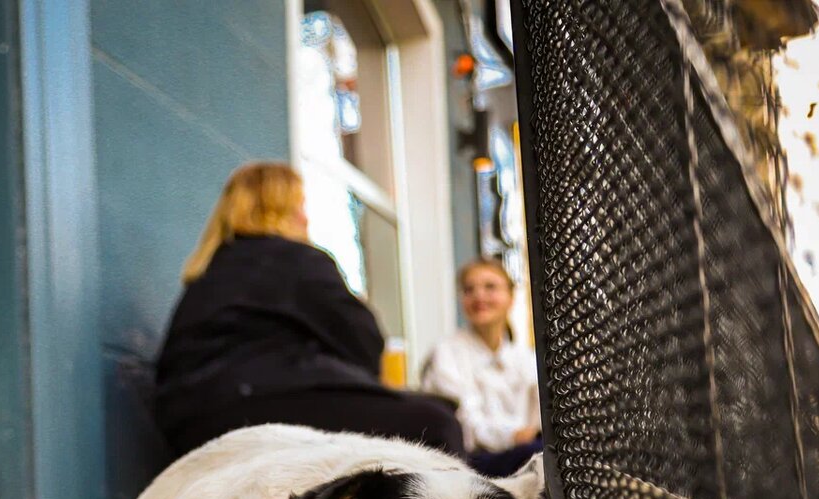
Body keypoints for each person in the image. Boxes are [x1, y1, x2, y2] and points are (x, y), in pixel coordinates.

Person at [155, 162, 464, 457]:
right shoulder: (296, 259)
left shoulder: (209, 270)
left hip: (187, 422)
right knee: (435, 423)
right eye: (300, 206)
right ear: (282, 211)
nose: (306, 218)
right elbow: (366, 344)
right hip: (256, 403)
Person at [421, 258, 542, 477]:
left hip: (525, 451)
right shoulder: (447, 353)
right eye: (469, 289)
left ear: (511, 297)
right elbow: (467, 425)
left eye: (490, 287)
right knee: (540, 458)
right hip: (472, 464)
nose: (479, 296)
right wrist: (514, 436)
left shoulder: (524, 357)